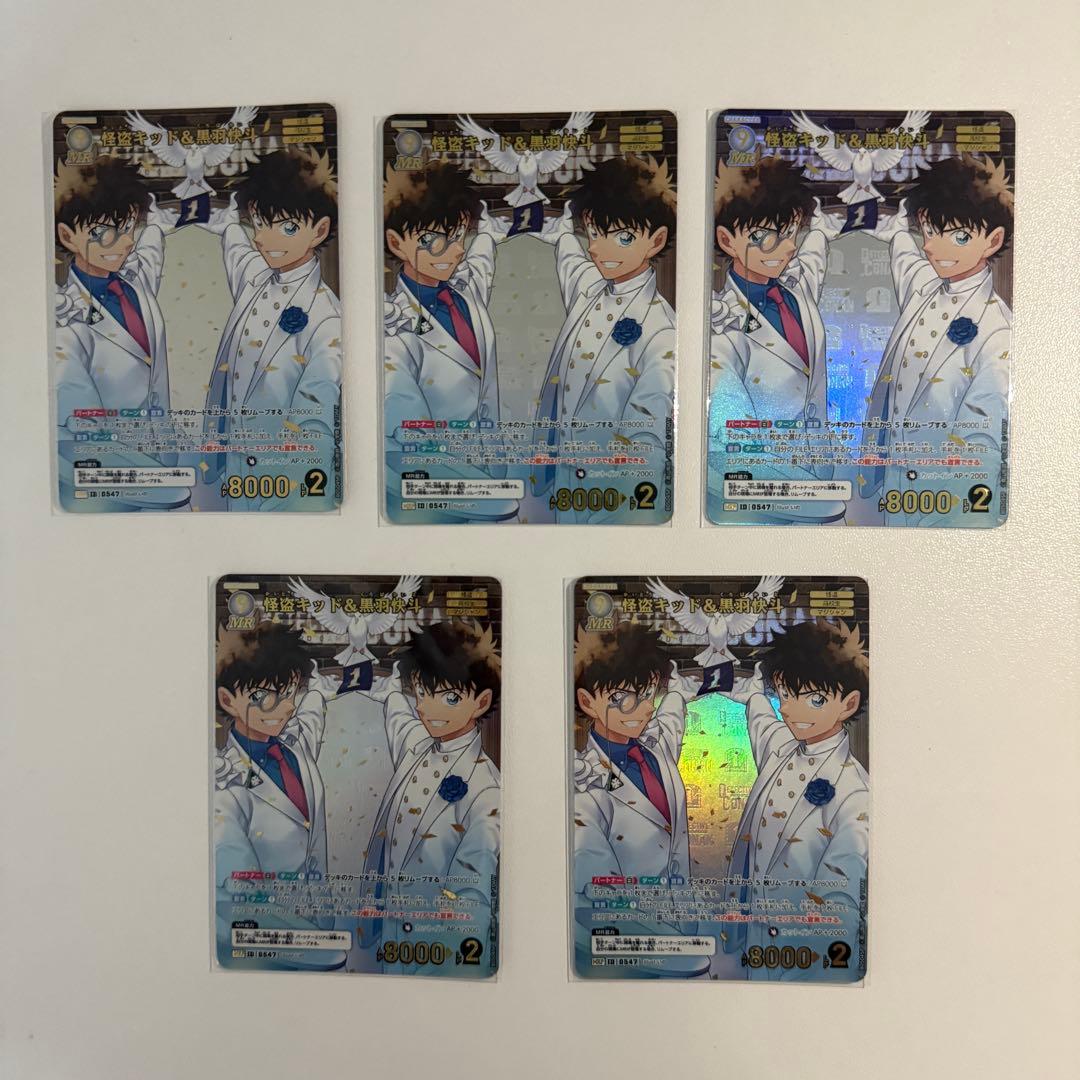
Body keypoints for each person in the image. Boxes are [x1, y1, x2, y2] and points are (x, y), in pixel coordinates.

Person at [858, 154, 1013, 525]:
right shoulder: (925, 286)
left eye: (958, 236)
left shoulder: (998, 331)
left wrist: (956, 519)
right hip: (892, 487)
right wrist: (898, 232)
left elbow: (984, 444)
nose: (932, 247)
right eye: (928, 231)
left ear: (992, 240)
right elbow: (906, 261)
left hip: (945, 504)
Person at [721, 619, 869, 982]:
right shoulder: (783, 748)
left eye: (814, 699)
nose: (790, 710)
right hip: (751, 944)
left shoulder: (855, 793)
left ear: (849, 704)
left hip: (802, 960)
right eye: (785, 695)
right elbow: (763, 723)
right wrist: (755, 696)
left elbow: (842, 904)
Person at [532, 155, 677, 522]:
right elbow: (570, 260)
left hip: (614, 497)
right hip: (563, 485)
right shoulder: (589, 286)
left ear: (657, 240)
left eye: (623, 237)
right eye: (594, 233)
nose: (598, 248)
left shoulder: (661, 330)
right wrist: (565, 233)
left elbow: (650, 437)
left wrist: (629, 507)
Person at [197, 146, 342, 511]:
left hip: (283, 481)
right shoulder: (255, 276)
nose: (263, 238)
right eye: (259, 223)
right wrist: (231, 224)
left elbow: (317, 423)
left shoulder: (326, 318)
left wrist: (299, 496)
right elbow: (237, 250)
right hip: (230, 468)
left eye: (287, 227)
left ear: (320, 230)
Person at [707, 157, 845, 524]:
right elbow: (730, 439)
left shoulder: (795, 290)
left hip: (820, 473)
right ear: (726, 240)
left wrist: (820, 230)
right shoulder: (722, 328)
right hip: (765, 498)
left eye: (792, 233)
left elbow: (812, 257)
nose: (786, 248)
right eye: (763, 237)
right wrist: (817, 501)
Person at [360, 621, 501, 976]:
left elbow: (474, 897)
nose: (428, 708)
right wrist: (393, 693)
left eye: (450, 697)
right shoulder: (417, 746)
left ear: (481, 702)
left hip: (438, 955)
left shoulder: (485, 789)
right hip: (386, 940)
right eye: (422, 693)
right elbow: (400, 719)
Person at [382, 162, 515, 523]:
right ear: (396, 243)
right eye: (433, 240)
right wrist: (491, 500)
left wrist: (485, 234)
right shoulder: (394, 331)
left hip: (492, 473)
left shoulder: (464, 291)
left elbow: (481, 261)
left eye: (458, 237)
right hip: (439, 494)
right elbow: (407, 437)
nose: (454, 251)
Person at [571, 622, 706, 977]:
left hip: (684, 927)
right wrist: (682, 958)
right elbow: (596, 892)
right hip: (630, 949)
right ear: (587, 702)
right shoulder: (584, 787)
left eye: (647, 694)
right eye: (623, 698)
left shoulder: (654, 748)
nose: (642, 709)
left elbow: (670, 719)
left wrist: (676, 693)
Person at [53, 156, 184, 509]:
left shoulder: (134, 282)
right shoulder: (65, 322)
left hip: (164, 460)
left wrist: (155, 226)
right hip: (111, 485)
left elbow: (150, 251)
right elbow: (81, 429)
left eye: (127, 228)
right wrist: (167, 491)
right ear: (67, 236)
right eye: (103, 232)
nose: (124, 243)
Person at [213, 621, 343, 969]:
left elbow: (310, 717)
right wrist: (324, 952)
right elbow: (237, 892)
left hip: (322, 922)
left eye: (289, 692)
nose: (285, 707)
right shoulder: (226, 788)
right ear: (227, 700)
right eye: (263, 696)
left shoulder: (294, 747)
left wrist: (316, 690)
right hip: (272, 947)